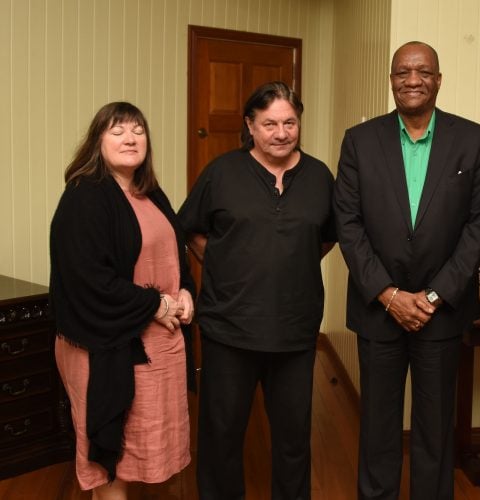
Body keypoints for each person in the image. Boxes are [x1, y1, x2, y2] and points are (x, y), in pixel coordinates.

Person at [334, 41, 480, 499]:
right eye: (402, 72)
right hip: (377, 312)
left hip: (441, 314)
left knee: (435, 431)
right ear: (391, 80)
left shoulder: (474, 140)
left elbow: (478, 227)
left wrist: (432, 296)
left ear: (439, 80)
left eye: (423, 72)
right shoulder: (359, 141)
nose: (412, 80)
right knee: (378, 429)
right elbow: (348, 225)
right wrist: (387, 294)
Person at [178, 81, 337, 500]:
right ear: (250, 125)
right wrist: (228, 262)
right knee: (221, 435)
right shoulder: (222, 172)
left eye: (289, 122)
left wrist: (287, 263)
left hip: (295, 329)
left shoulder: (320, 176)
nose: (281, 133)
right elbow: (192, 228)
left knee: (292, 438)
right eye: (269, 124)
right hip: (229, 327)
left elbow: (326, 236)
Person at [49, 101, 195, 500]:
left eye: (138, 130)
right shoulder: (85, 196)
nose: (130, 138)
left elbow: (175, 256)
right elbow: (88, 280)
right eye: (117, 131)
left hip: (158, 346)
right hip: (108, 347)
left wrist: (185, 292)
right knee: (113, 460)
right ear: (98, 141)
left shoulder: (151, 192)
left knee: (145, 453)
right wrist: (157, 305)